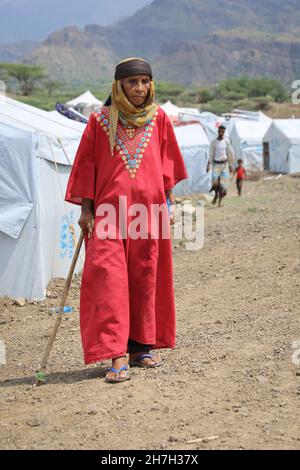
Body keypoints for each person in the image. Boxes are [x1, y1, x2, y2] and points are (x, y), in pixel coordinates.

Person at [65, 58, 188, 383]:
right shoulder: (99, 120)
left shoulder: (159, 118)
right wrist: (86, 210)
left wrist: (169, 202)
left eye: (145, 81)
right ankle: (116, 353)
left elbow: (166, 162)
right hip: (107, 214)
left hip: (148, 214)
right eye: (132, 82)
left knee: (145, 278)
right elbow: (87, 165)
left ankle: (140, 347)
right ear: (118, 85)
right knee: (109, 280)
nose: (139, 88)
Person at [207, 125, 234, 206]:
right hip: (216, 165)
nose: (221, 133)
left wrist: (230, 164)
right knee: (215, 183)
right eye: (220, 131)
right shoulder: (214, 142)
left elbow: (230, 153)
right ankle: (216, 195)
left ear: (224, 132)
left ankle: (220, 201)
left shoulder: (226, 142)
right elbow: (211, 154)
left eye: (223, 132)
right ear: (218, 131)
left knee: (224, 186)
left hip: (224, 165)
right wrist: (208, 165)